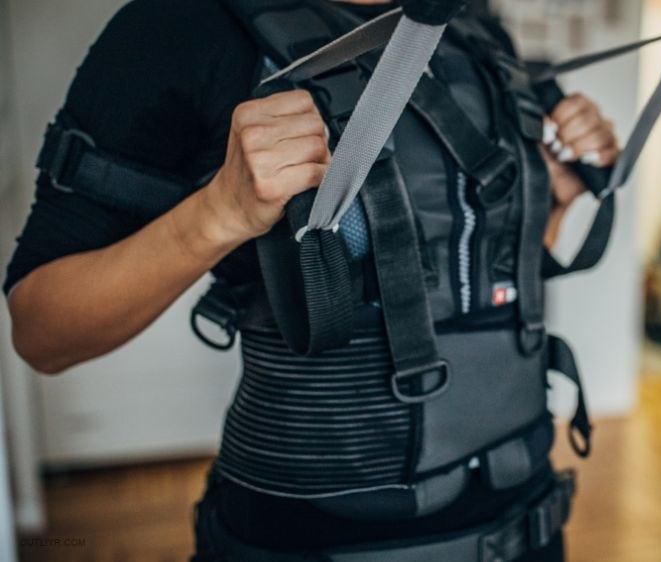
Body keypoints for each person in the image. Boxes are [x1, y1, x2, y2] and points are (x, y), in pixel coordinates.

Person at [5, 0, 619, 560]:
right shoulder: (183, 26)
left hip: (527, 521)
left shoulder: (472, 24)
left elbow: (475, 287)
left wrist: (552, 201)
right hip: (316, 540)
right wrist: (221, 213)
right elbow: (43, 331)